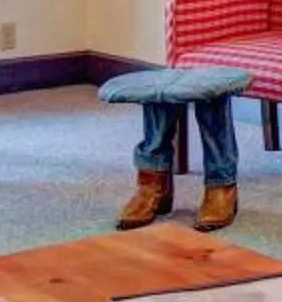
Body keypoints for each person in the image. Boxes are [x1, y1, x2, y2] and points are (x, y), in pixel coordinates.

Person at [99, 67, 247, 232]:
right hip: (173, 76)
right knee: (157, 94)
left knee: (212, 94)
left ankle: (221, 186)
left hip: (220, 63)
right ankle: (153, 186)